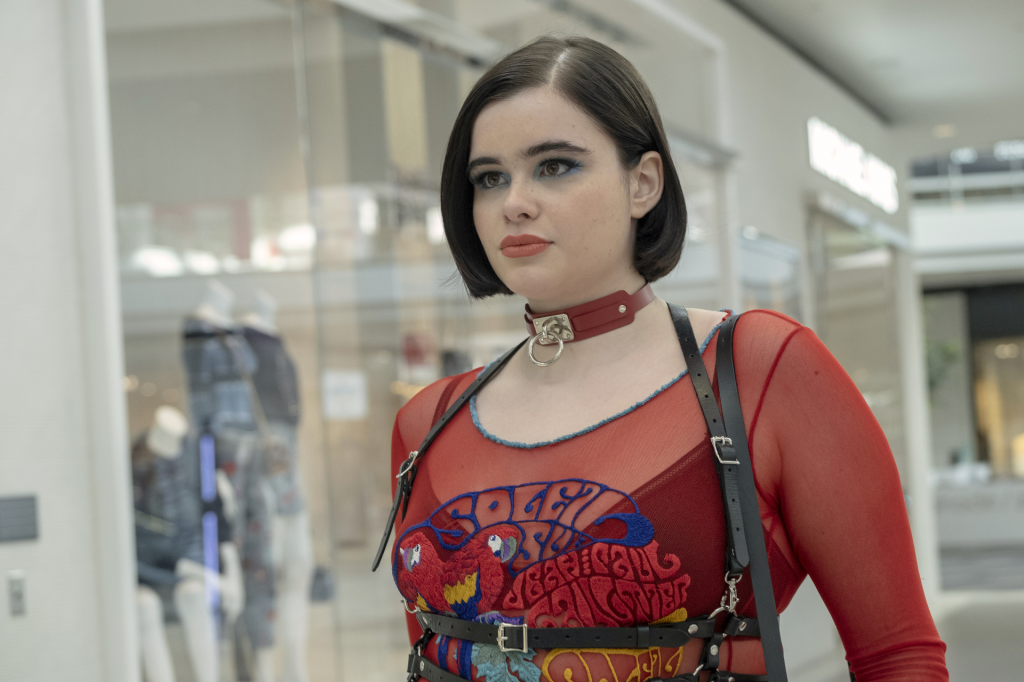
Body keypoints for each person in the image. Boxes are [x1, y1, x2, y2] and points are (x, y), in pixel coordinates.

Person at [384, 36, 948, 682]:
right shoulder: (428, 422)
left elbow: (899, 658)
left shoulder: (760, 369)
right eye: (490, 178)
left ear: (643, 183)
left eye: (555, 166)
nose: (514, 201)